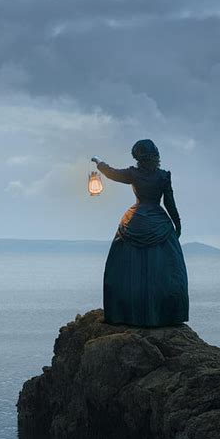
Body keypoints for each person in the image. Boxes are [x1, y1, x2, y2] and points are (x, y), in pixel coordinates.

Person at [91, 139, 189, 326]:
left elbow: (111, 173)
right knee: (167, 270)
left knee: (125, 269)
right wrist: (177, 224)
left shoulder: (133, 174)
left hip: (135, 221)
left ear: (138, 156)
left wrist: (98, 161)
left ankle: (128, 313)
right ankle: (163, 315)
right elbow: (170, 203)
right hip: (160, 222)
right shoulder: (163, 176)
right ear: (156, 156)